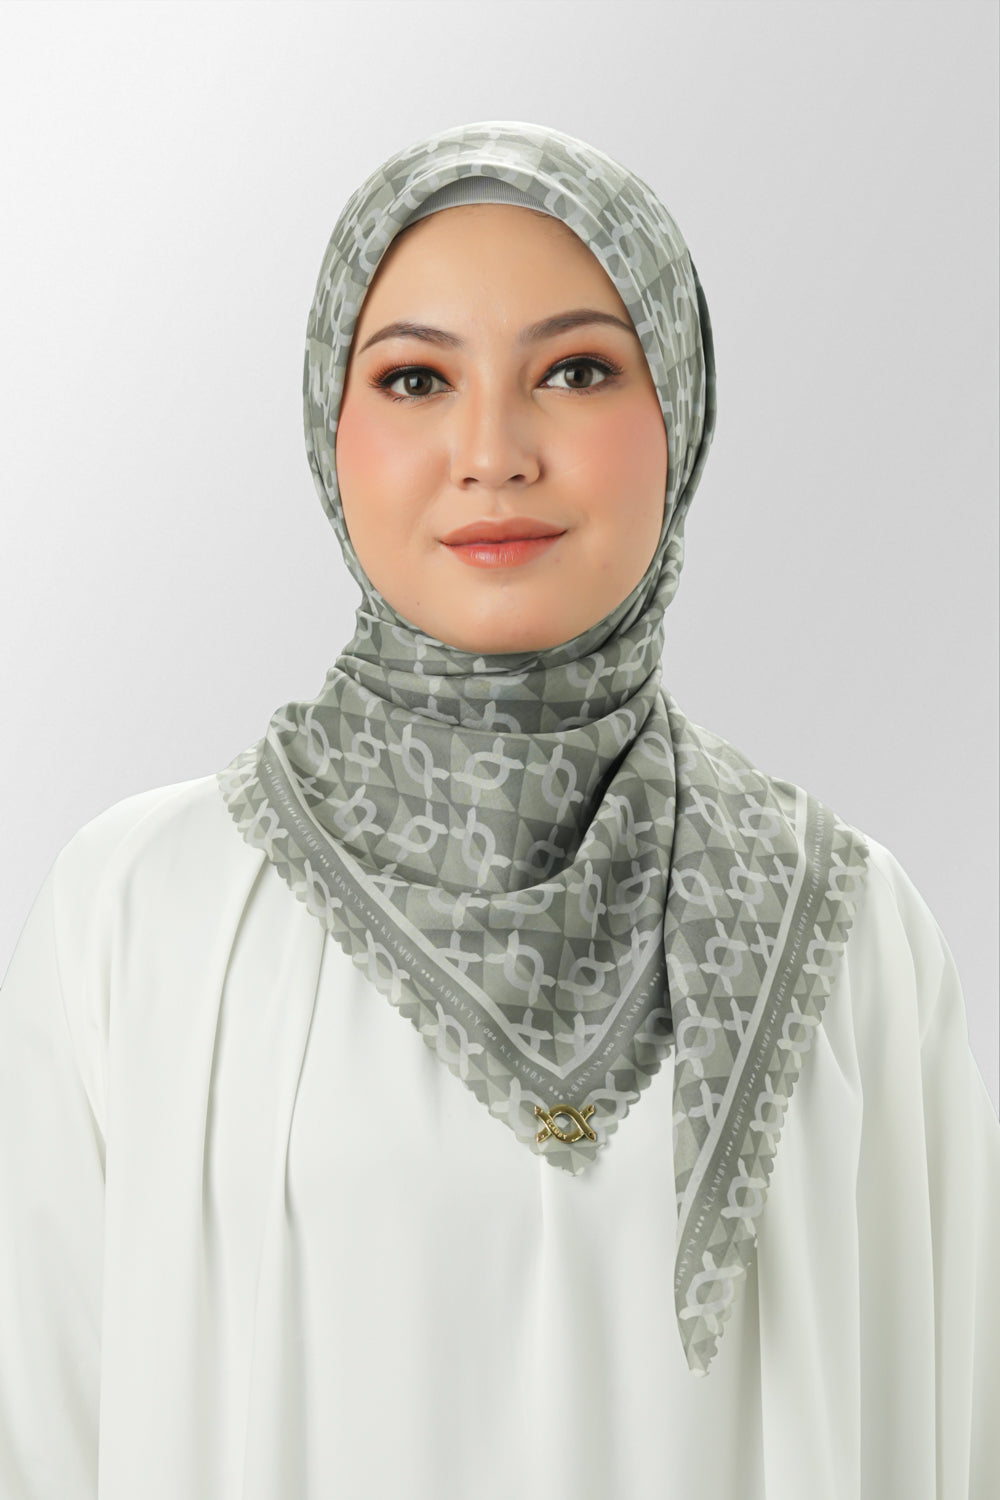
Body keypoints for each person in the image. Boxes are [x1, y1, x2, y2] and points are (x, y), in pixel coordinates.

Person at [0, 119, 997, 1499]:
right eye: (415, 379)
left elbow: (935, 1437)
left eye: (576, 371)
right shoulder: (140, 913)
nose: (492, 451)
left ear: (683, 411)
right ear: (328, 427)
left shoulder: (845, 925)